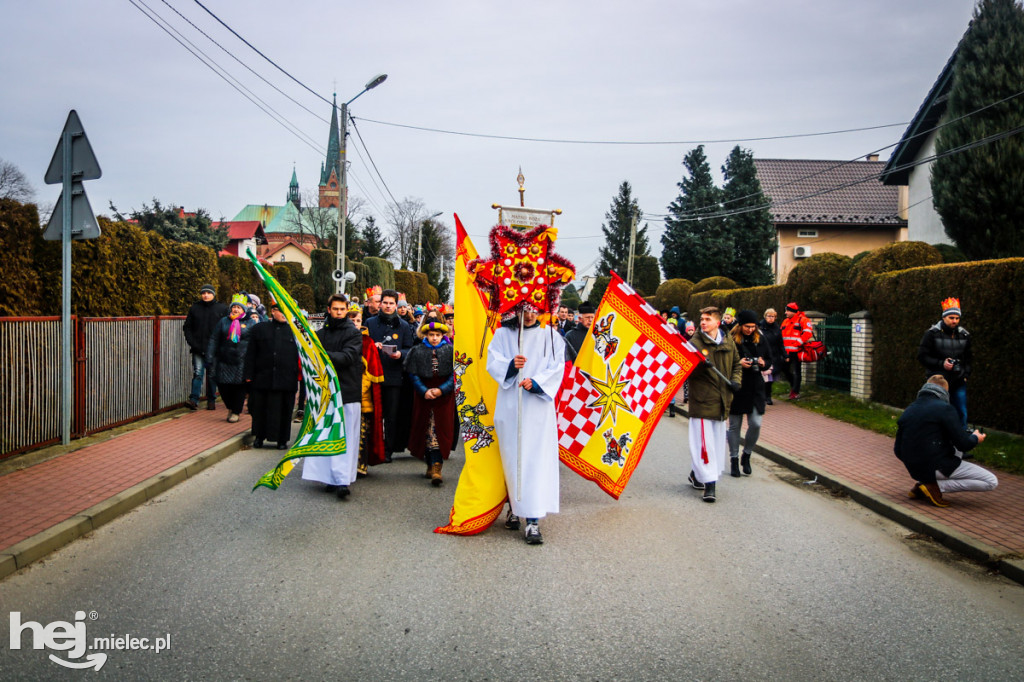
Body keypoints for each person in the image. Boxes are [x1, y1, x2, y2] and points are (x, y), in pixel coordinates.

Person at [486, 309, 566, 544]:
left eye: (533, 310)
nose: (529, 315)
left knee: (534, 461)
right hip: (511, 406)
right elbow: (493, 361)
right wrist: (511, 366)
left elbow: (557, 366)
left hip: (538, 410)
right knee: (511, 459)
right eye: (524, 310)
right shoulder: (502, 334)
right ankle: (514, 507)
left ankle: (533, 520)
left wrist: (538, 383)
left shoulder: (551, 336)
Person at [894, 375, 995, 507]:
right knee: (991, 481)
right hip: (936, 466)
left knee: (952, 447)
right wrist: (976, 438)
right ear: (945, 392)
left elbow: (897, 450)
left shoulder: (909, 409)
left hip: (914, 469)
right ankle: (935, 487)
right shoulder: (945, 409)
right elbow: (964, 444)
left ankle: (926, 483)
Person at [302, 294, 363, 498]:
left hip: (347, 391)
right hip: (326, 392)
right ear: (328, 309)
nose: (338, 312)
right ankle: (328, 477)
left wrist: (323, 355)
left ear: (347, 310)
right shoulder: (321, 334)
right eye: (335, 309)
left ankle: (343, 480)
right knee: (326, 434)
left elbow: (348, 357)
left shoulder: (353, 333)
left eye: (342, 309)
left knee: (345, 437)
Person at [685, 306, 741, 502]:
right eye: (702, 319)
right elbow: (687, 371)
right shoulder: (695, 343)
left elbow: (736, 364)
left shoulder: (728, 341)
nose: (703, 322)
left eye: (707, 319)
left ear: (718, 322)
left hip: (722, 401)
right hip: (702, 401)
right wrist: (700, 365)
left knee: (716, 444)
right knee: (704, 445)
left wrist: (736, 381)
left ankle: (697, 473)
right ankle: (710, 484)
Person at [365, 289, 415, 462]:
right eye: (385, 303)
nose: (387, 306)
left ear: (396, 305)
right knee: (373, 414)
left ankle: (388, 450)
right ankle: (372, 448)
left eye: (391, 303)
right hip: (373, 375)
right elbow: (363, 345)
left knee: (391, 416)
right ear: (380, 304)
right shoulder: (370, 323)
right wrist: (373, 346)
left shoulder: (404, 326)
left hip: (394, 376)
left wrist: (400, 354)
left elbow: (410, 349)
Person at [405, 320, 456, 485]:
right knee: (426, 429)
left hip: (444, 397)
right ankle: (429, 462)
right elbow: (413, 373)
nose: (434, 338)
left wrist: (442, 389)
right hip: (424, 396)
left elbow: (455, 375)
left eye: (438, 335)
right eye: (431, 335)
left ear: (443, 335)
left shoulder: (450, 351)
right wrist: (423, 390)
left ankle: (437, 466)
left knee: (439, 430)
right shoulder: (417, 351)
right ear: (425, 335)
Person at [244, 301, 300, 450]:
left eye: (287, 312)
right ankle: (259, 437)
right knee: (260, 409)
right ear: (273, 311)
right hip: (263, 377)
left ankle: (282, 440)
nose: (283, 315)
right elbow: (251, 353)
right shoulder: (260, 329)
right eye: (280, 311)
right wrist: (248, 374)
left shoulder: (296, 331)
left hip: (286, 379)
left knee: (285, 411)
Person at [727, 310, 771, 477]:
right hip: (737, 386)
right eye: (747, 326)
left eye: (753, 327)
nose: (750, 330)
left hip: (755, 387)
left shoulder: (761, 339)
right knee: (734, 426)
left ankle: (747, 454)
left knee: (756, 423)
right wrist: (738, 363)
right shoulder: (731, 340)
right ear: (740, 325)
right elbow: (724, 361)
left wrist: (762, 362)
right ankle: (733, 459)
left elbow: (770, 360)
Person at [918, 297, 972, 430]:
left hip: (958, 380)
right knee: (936, 411)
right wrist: (941, 364)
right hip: (938, 381)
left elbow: (969, 358)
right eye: (951, 318)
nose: (954, 321)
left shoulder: (964, 335)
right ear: (944, 317)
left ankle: (961, 439)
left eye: (957, 318)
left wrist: (965, 374)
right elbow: (922, 356)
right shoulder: (931, 334)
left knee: (961, 411)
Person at [348, 303, 386, 477]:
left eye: (357, 320)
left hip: (362, 397)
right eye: (351, 319)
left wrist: (359, 391)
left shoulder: (367, 342)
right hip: (344, 394)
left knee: (362, 432)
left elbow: (371, 374)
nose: (355, 323)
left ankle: (360, 464)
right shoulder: (339, 338)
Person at [205, 294, 255, 423]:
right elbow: (214, 339)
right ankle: (230, 407)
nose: (236, 310)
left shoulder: (250, 323)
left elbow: (255, 342)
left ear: (244, 310)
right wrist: (210, 356)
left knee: (239, 388)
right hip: (224, 359)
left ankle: (236, 411)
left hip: (241, 360)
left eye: (239, 307)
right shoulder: (224, 321)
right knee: (223, 386)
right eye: (234, 307)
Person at [183, 283, 228, 410]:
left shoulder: (221, 308)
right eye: (203, 293)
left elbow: (226, 328)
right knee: (198, 373)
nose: (206, 295)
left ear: (213, 294)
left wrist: (220, 345)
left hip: (214, 349)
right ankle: (194, 400)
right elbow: (187, 327)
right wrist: (192, 343)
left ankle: (211, 400)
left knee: (212, 375)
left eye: (208, 293)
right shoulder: (195, 308)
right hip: (198, 347)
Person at [780, 301, 813, 400]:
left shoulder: (803, 320)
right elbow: (781, 334)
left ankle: (795, 391)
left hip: (797, 351)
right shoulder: (785, 321)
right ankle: (793, 386)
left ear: (793, 311)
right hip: (786, 352)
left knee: (797, 371)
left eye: (787, 311)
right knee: (785, 369)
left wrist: (797, 343)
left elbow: (808, 333)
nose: (785, 313)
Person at [758, 308, 785, 405]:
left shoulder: (777, 328)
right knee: (764, 376)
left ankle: (768, 396)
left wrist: (784, 354)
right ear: (765, 316)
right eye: (769, 316)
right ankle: (763, 395)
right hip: (763, 355)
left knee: (771, 377)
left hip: (774, 355)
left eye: (773, 316)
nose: (771, 318)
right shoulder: (760, 327)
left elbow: (780, 342)